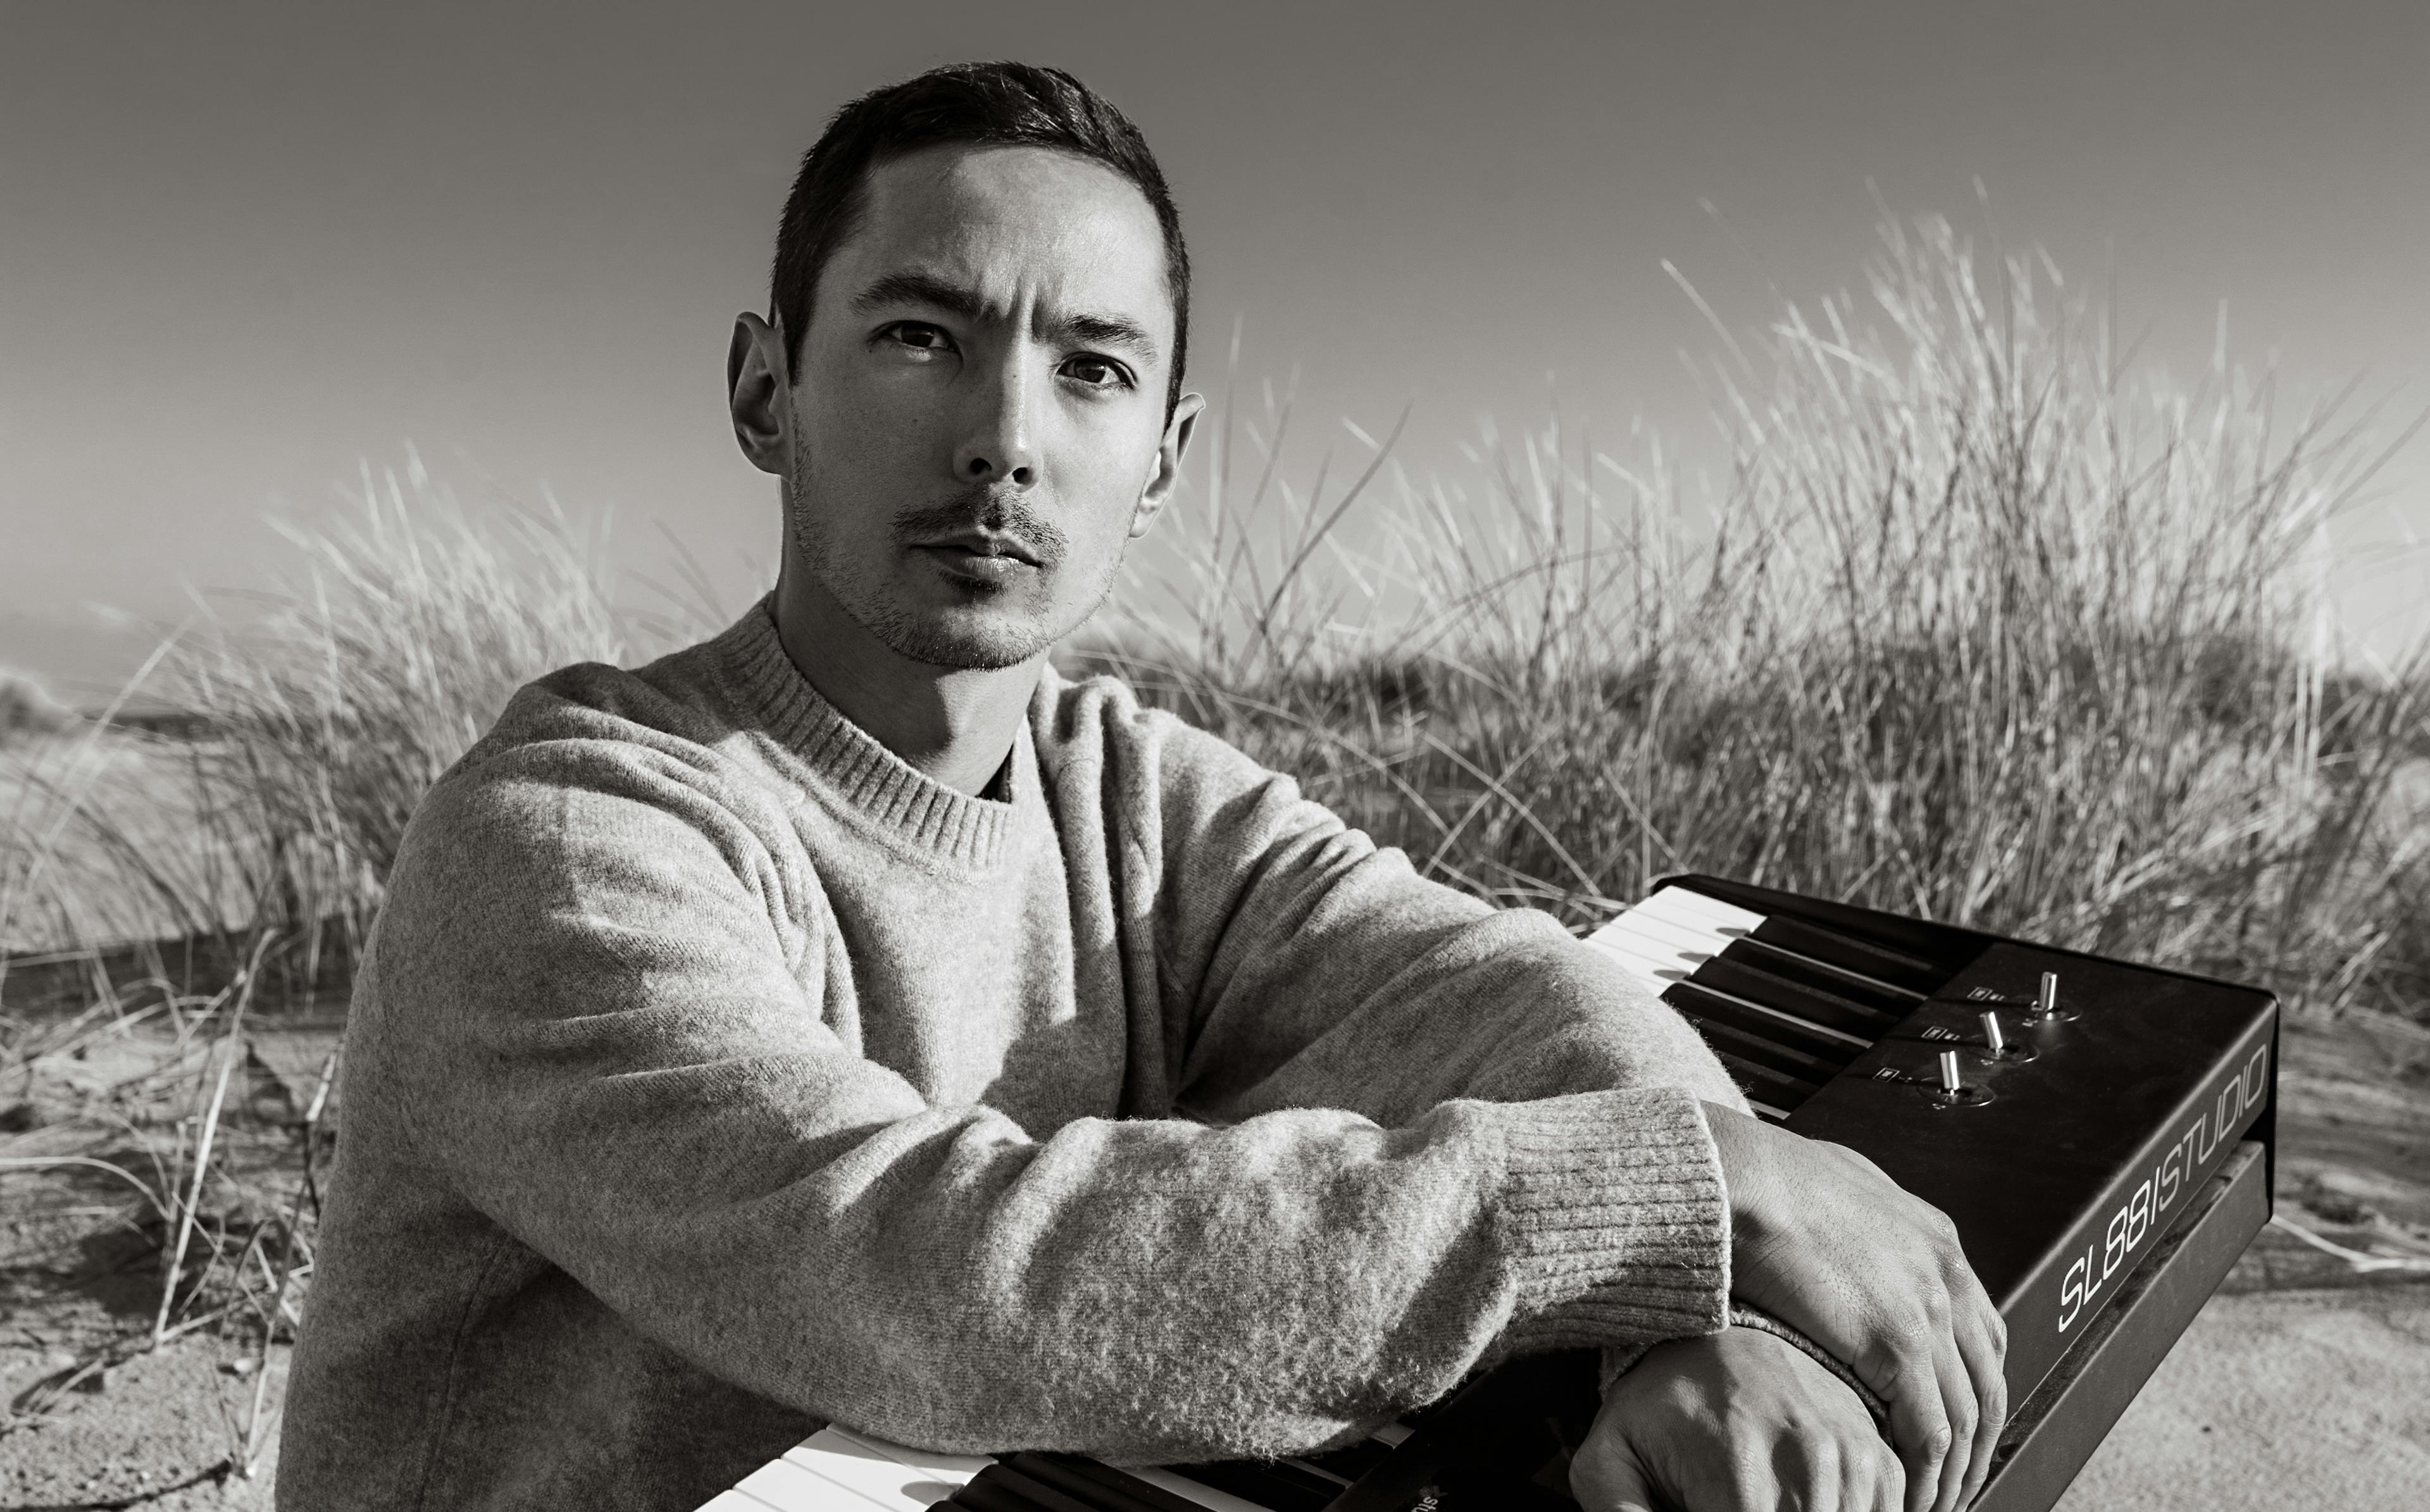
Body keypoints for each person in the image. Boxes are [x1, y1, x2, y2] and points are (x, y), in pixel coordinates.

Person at [278, 61, 2003, 1512]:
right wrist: (1692, 1199)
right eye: (920, 336)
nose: (1005, 440)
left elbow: (1502, 987)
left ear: (1165, 457)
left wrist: (1704, 1312)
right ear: (762, 389)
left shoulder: (1125, 788)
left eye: (1091, 369)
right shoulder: (571, 832)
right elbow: (928, 1277)